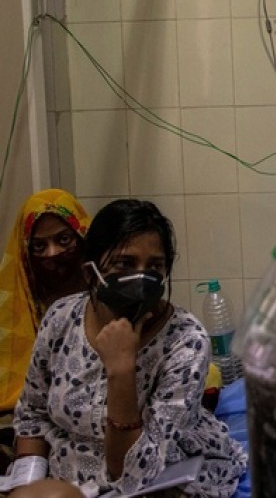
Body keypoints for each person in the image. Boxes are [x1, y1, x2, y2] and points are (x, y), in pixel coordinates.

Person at [10, 199, 246, 496]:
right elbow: (33, 415)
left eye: (155, 266)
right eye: (125, 263)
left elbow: (134, 475)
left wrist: (121, 369)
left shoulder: (185, 341)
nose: (141, 276)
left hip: (156, 478)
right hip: (64, 475)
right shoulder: (60, 319)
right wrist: (28, 485)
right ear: (89, 273)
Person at [0, 189, 90, 472]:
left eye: (63, 240)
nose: (53, 254)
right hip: (22, 426)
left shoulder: (107, 297)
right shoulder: (15, 306)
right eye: (39, 246)